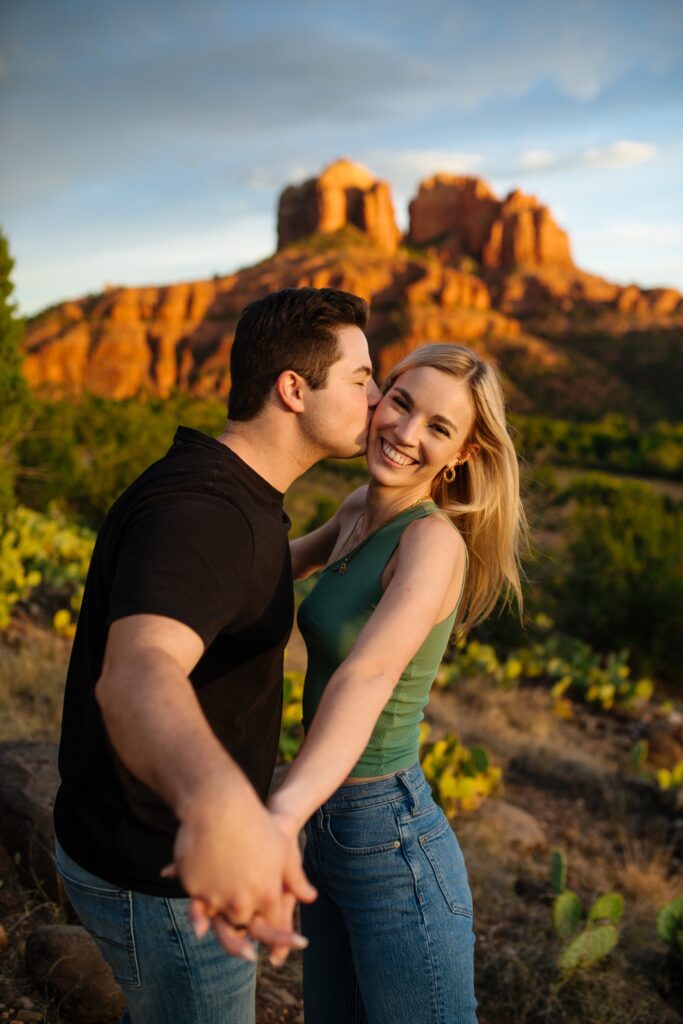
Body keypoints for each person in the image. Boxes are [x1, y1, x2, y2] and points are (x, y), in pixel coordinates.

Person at [52, 286, 382, 1024]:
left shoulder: (233, 490)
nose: (376, 397)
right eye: (361, 380)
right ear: (293, 389)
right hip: (164, 876)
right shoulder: (204, 514)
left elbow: (233, 585)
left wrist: (331, 536)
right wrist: (221, 803)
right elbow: (138, 670)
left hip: (135, 847)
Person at [267, 342, 527, 1023]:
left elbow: (369, 673)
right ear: (377, 395)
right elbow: (272, 567)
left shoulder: (431, 543)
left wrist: (281, 811)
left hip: (389, 839)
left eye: (438, 428)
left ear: (461, 455)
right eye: (402, 403)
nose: (406, 433)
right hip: (328, 824)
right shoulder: (358, 507)